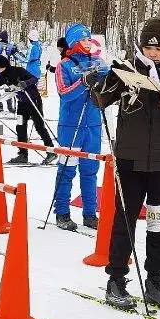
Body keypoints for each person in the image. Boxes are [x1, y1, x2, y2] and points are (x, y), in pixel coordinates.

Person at [87, 18, 160, 309]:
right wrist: (99, 81)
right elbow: (101, 100)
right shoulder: (128, 70)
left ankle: (155, 280)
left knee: (159, 223)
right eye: (149, 48)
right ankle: (117, 278)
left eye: (159, 49)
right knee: (124, 220)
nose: (153, 53)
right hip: (129, 159)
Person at [52, 23, 110, 231]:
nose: (88, 43)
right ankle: (62, 212)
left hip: (93, 124)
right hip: (71, 125)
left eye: (89, 39)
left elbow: (108, 85)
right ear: (74, 42)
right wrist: (83, 82)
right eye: (83, 40)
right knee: (67, 169)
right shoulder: (64, 65)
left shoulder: (97, 61)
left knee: (90, 170)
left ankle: (90, 213)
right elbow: (64, 93)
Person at [0, 49, 56, 165]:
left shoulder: (18, 70)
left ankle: (51, 151)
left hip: (33, 99)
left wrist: (25, 83)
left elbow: (35, 79)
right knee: (20, 126)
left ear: (3, 66)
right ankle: (23, 154)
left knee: (39, 126)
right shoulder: (3, 76)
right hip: (22, 102)